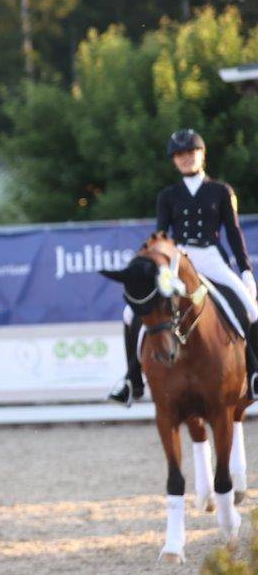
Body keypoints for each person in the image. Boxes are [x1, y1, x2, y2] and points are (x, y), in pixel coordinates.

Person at [109, 128, 258, 404]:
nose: (186, 158)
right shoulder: (168, 195)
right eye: (179, 155)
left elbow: (233, 233)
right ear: (174, 161)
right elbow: (161, 235)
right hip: (179, 261)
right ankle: (131, 379)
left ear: (202, 154)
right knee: (130, 314)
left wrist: (246, 271)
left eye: (191, 152)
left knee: (250, 309)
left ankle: (254, 372)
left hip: (211, 257)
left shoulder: (221, 191)